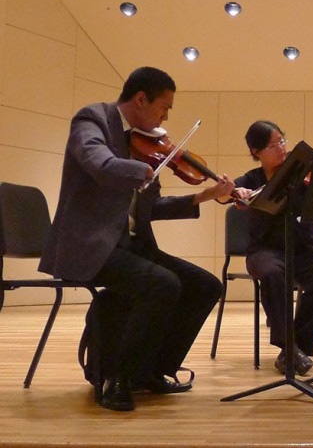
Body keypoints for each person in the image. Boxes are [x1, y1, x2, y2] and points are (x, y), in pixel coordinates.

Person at [39, 66, 233, 412]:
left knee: (205, 286)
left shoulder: (148, 146)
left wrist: (204, 195)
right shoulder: (92, 119)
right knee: (162, 284)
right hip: (90, 244)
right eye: (165, 107)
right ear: (141, 99)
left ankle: (154, 370)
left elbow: (151, 207)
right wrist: (139, 170)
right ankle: (119, 377)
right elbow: (97, 162)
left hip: (131, 246)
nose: (166, 117)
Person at [229, 120, 313, 377]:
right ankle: (290, 348)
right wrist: (237, 194)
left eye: (283, 141)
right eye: (273, 145)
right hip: (265, 250)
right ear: (256, 151)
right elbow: (226, 195)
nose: (281, 148)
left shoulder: (301, 175)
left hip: (304, 249)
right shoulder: (251, 180)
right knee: (274, 276)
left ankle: (294, 351)